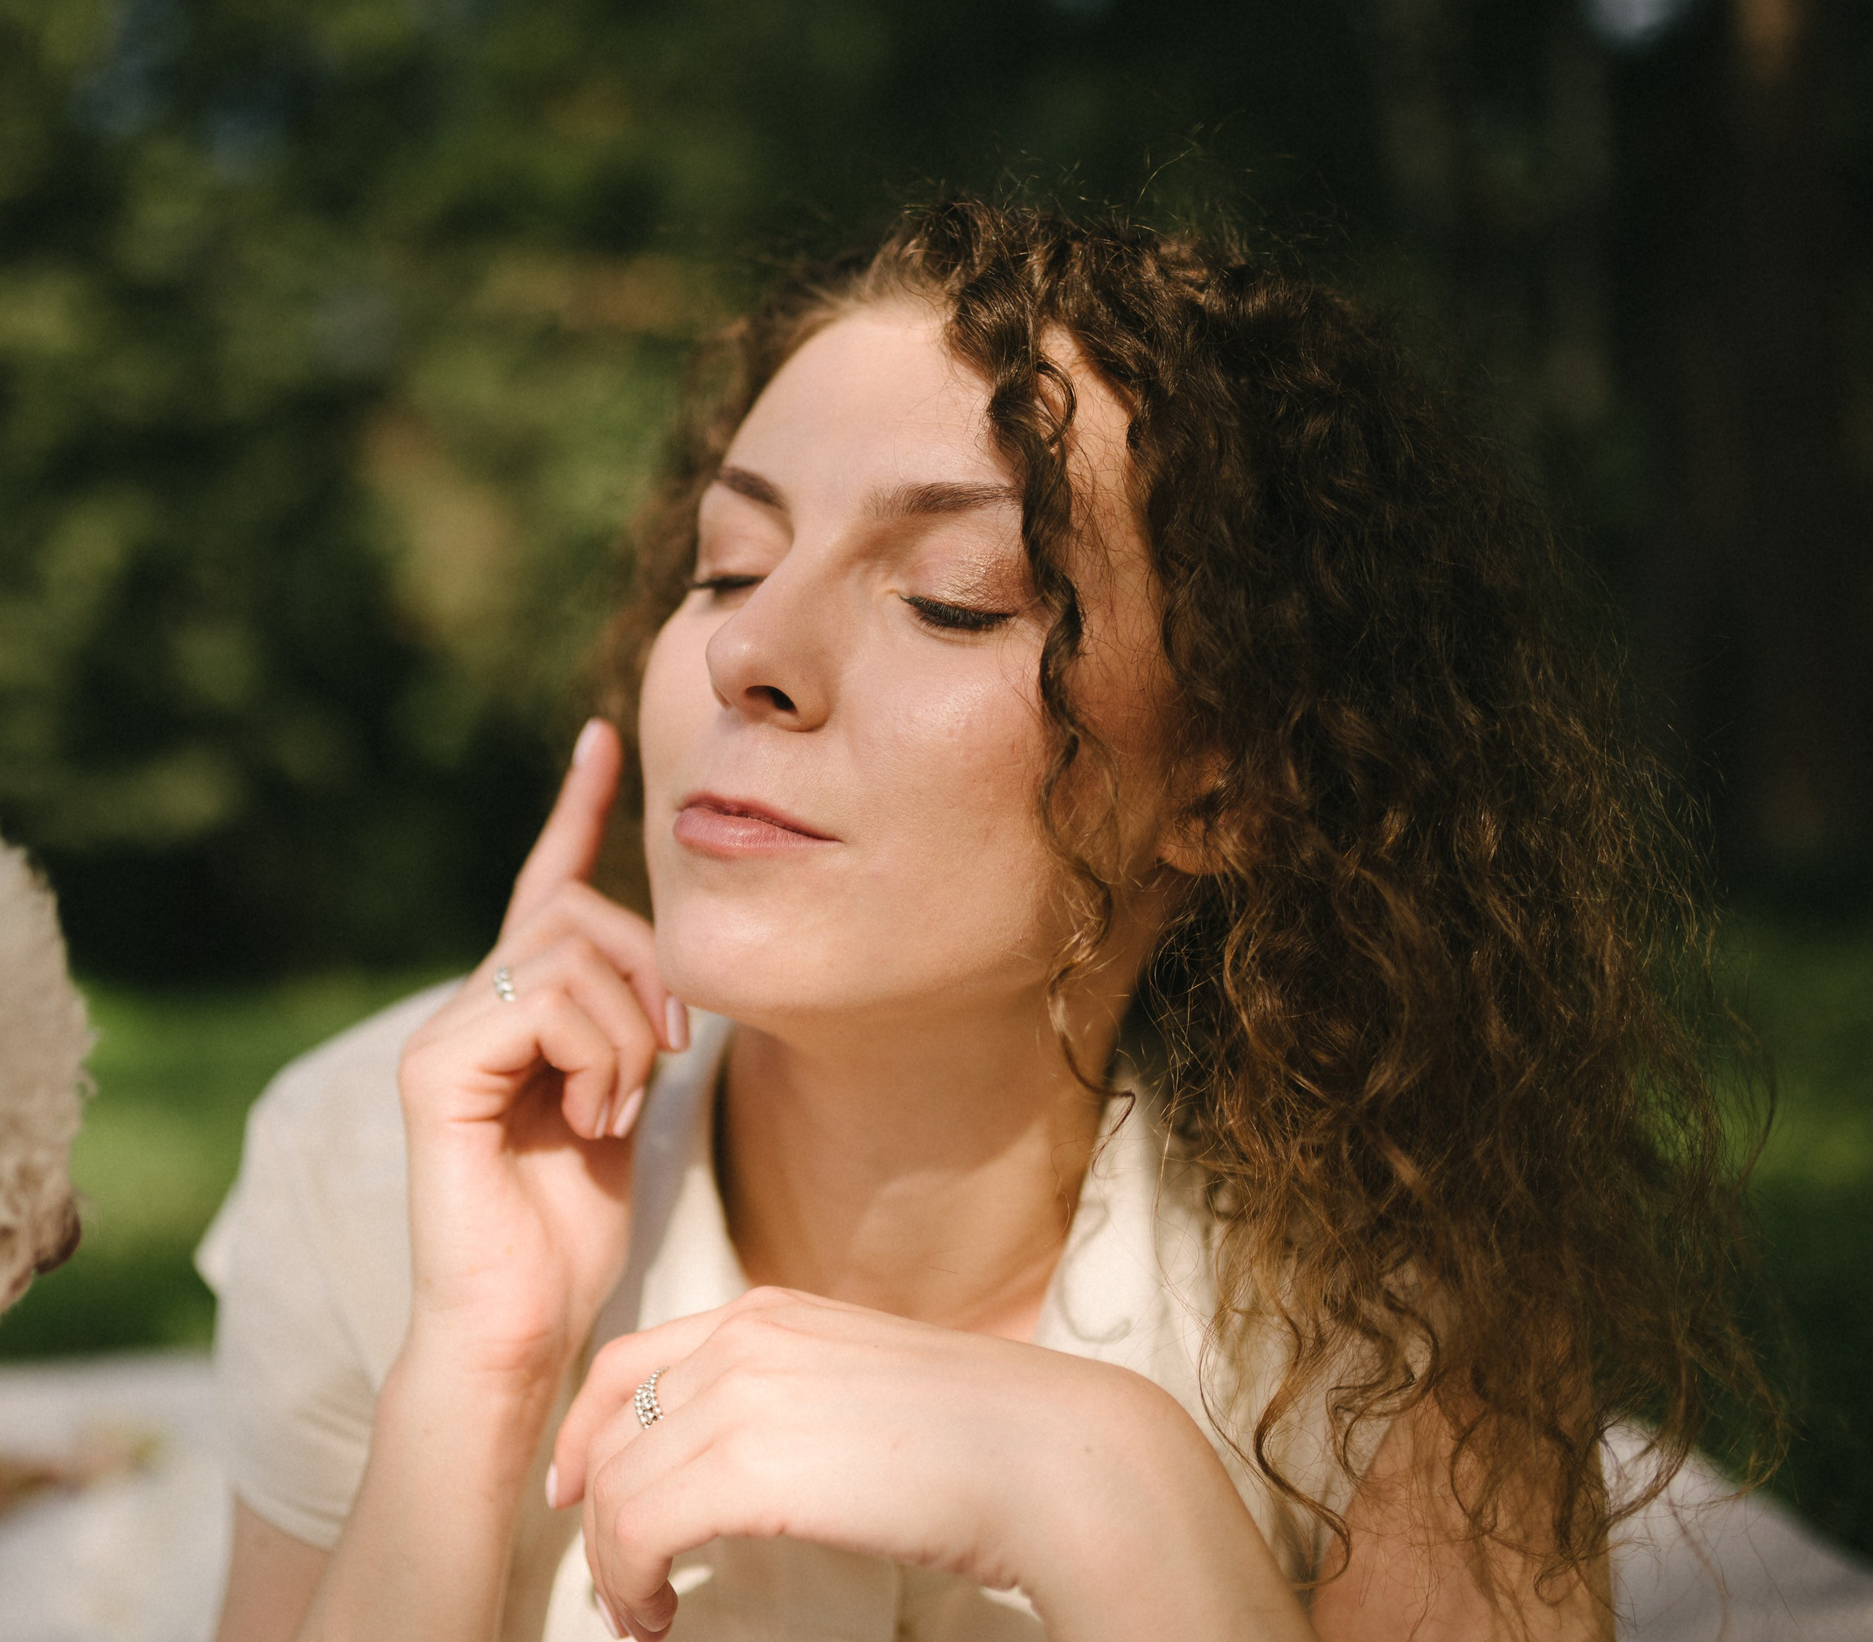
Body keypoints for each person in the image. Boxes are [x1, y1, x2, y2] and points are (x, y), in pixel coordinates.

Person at [197, 199, 1775, 1641]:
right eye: (728, 563)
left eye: (953, 593)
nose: (752, 648)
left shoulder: (1391, 1247)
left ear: (1225, 788)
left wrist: (1107, 1485)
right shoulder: (390, 1153)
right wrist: (473, 1375)